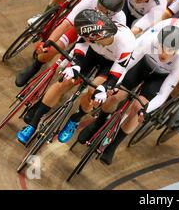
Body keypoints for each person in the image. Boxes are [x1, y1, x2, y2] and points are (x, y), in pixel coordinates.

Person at [76, 24, 179, 165]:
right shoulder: (150, 41)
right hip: (141, 67)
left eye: (170, 50)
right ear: (159, 42)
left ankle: (113, 145)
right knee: (116, 96)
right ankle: (98, 123)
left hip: (158, 78)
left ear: (178, 49)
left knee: (138, 107)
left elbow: (164, 93)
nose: (164, 53)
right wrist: (115, 84)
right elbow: (126, 66)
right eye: (162, 47)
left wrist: (146, 110)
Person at [16, 9, 136, 144]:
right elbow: (81, 45)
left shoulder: (126, 43)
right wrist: (75, 66)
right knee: (64, 82)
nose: (85, 37)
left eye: (88, 37)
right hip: (91, 53)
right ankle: (33, 124)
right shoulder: (89, 30)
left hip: (111, 63)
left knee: (94, 92)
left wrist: (103, 89)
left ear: (98, 35)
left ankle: (75, 119)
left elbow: (115, 76)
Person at [15, 0, 127, 87]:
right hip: (80, 28)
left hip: (95, 43)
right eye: (99, 6)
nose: (99, 11)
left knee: (70, 77)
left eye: (105, 11)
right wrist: (48, 42)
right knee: (50, 50)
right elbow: (67, 24)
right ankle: (35, 66)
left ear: (113, 13)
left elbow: (107, 44)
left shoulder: (120, 19)